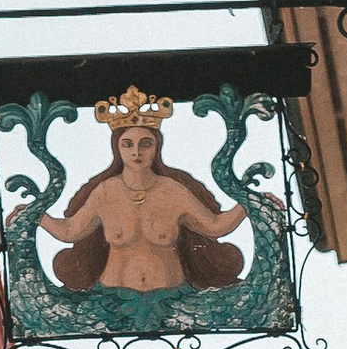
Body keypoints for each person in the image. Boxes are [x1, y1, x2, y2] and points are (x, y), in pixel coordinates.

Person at [42, 88, 247, 291]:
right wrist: (33, 215)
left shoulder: (173, 190)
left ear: (157, 147)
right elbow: (70, 231)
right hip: (112, 298)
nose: (136, 152)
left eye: (146, 144)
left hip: (172, 297)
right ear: (118, 148)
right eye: (128, 144)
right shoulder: (105, 192)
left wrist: (251, 204)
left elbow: (214, 226)